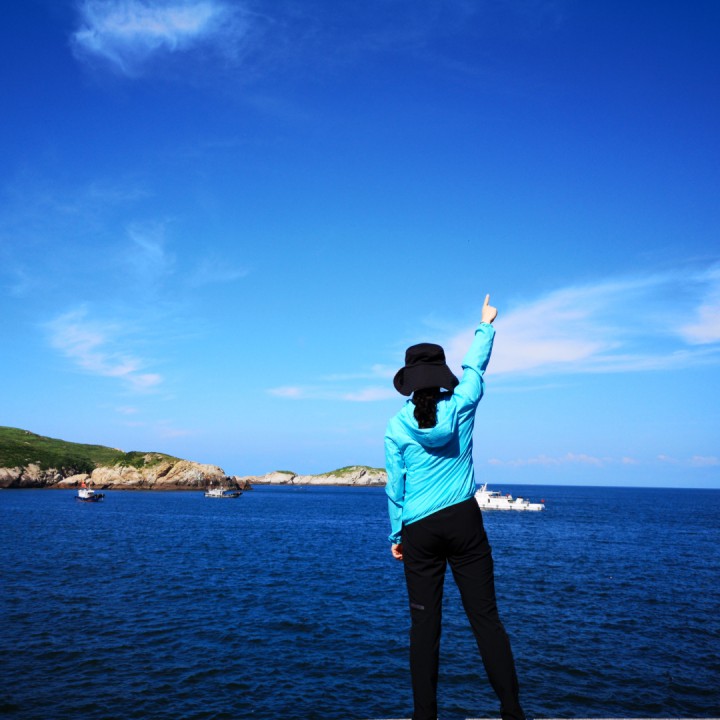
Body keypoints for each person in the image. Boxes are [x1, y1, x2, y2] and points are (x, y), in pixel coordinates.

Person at [385, 294, 526, 720]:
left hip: (419, 530)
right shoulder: (461, 405)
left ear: (410, 383)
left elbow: (396, 487)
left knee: (424, 626)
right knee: (486, 619)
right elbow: (475, 368)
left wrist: (397, 535)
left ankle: (424, 716)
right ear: (440, 375)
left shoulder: (396, 426)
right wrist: (486, 324)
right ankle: (512, 712)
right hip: (464, 521)